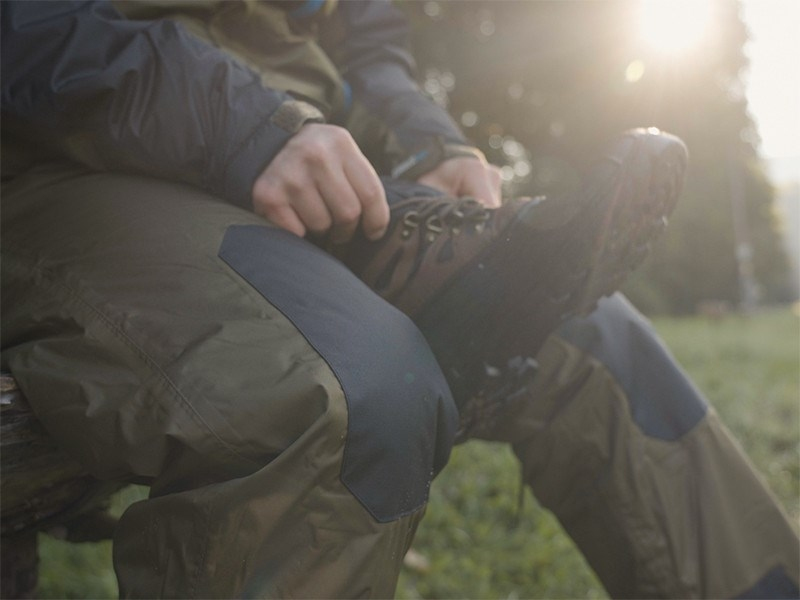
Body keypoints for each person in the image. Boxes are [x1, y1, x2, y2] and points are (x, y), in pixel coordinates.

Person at [1, 1, 797, 598]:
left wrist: (432, 142)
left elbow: (367, 44)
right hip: (60, 163)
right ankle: (448, 279)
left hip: (297, 158)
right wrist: (245, 128)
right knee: (347, 393)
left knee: (587, 329)